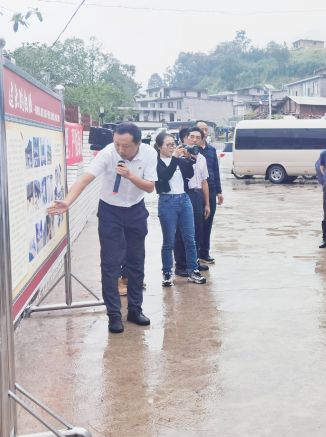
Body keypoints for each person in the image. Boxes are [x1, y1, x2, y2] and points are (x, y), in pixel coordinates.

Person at [47, 123, 157, 334]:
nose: (120, 149)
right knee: (110, 265)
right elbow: (85, 178)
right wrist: (67, 202)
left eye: (125, 146)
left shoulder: (149, 153)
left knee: (136, 262)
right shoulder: (108, 153)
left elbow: (150, 187)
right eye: (117, 144)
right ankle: (114, 315)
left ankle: (135, 310)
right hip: (110, 211)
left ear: (137, 143)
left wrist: (130, 176)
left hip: (135, 210)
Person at [154, 132, 206, 286]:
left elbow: (189, 175)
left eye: (173, 144)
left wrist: (189, 159)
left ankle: (193, 271)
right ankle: (167, 273)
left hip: (184, 199)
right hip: (167, 201)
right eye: (168, 145)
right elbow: (164, 176)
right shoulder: (156, 162)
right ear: (159, 146)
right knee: (168, 241)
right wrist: (176, 158)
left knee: (190, 239)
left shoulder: (178, 160)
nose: (172, 147)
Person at [174, 127, 211, 276]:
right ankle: (180, 265)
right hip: (183, 195)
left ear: (202, 140)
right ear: (186, 138)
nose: (194, 140)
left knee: (197, 230)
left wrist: (207, 203)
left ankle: (194, 261)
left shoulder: (202, 158)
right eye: (192, 137)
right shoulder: (177, 157)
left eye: (198, 137)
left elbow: (204, 182)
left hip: (197, 195)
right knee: (181, 232)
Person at [195, 121, 223, 265]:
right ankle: (193, 254)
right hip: (196, 190)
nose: (204, 131)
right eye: (201, 129)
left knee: (208, 221)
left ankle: (204, 253)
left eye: (206, 129)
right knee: (196, 223)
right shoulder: (192, 150)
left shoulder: (211, 150)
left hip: (211, 188)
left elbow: (216, 170)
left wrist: (219, 191)